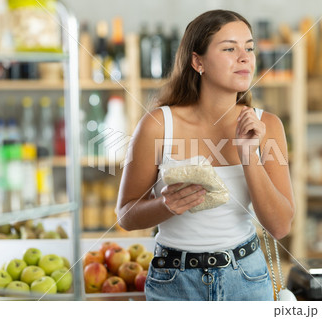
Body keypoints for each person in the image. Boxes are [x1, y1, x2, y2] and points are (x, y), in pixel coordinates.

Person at [116, 9, 295, 301]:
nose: (245, 57)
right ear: (198, 61)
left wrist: (249, 155)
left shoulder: (267, 126)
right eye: (229, 48)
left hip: (246, 279)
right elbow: (125, 215)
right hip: (173, 281)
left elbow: (280, 226)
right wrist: (166, 205)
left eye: (249, 48)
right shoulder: (159, 125)